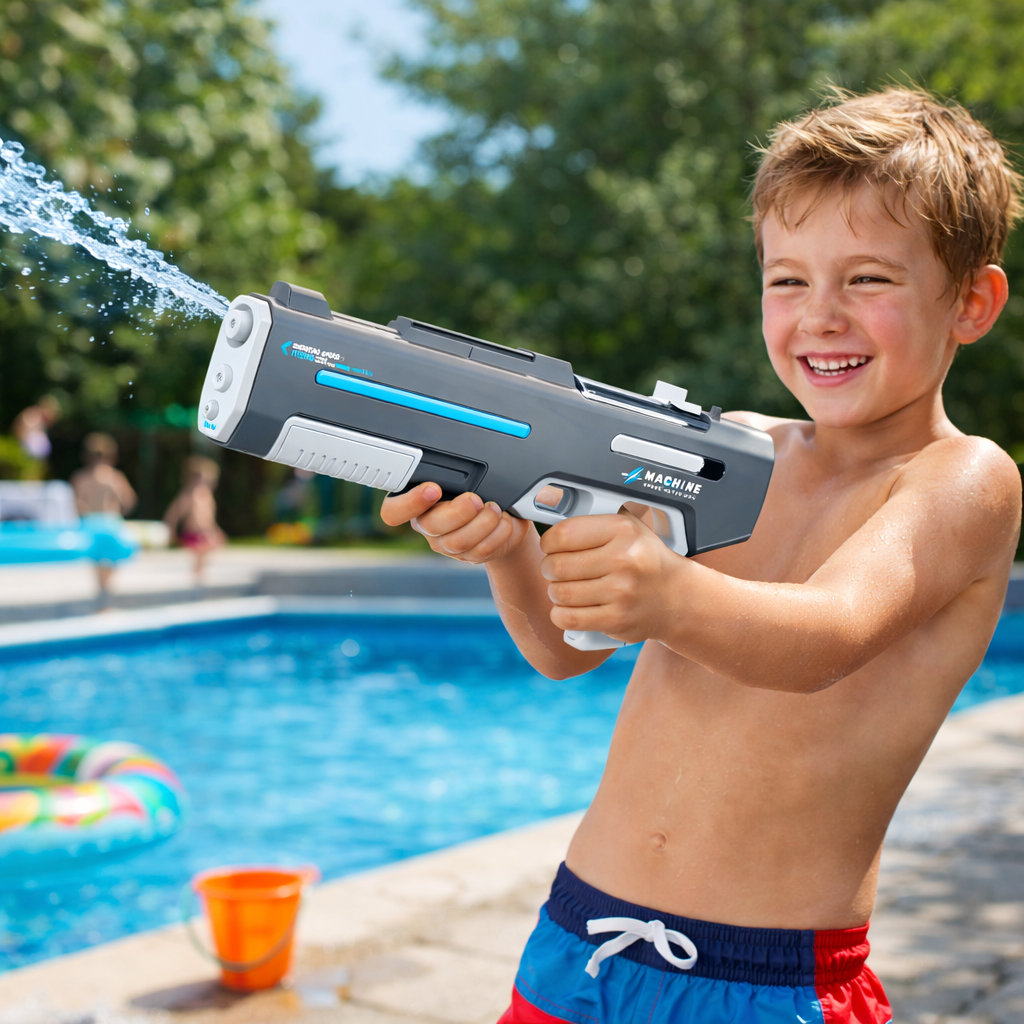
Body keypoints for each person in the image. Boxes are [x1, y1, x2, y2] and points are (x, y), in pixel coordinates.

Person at [380, 89, 1023, 1023]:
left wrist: (669, 597)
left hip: (764, 985)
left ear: (972, 301)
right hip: (575, 947)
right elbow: (569, 649)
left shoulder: (958, 479)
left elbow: (828, 636)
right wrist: (511, 552)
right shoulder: (731, 450)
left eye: (870, 280)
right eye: (789, 279)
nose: (821, 315)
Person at [70, 433, 137, 596]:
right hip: (110, 521)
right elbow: (129, 500)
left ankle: (102, 591)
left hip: (90, 522)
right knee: (112, 559)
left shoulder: (80, 477)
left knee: (98, 560)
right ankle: (105, 592)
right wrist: (119, 512)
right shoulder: (114, 477)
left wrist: (84, 514)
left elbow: (75, 503)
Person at [163, 455, 226, 583]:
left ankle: (198, 572)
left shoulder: (206, 495)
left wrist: (215, 529)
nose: (210, 483)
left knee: (208, 550)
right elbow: (175, 512)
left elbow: (209, 518)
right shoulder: (192, 493)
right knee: (204, 550)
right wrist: (171, 527)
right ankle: (197, 573)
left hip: (202, 533)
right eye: (207, 480)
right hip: (194, 534)